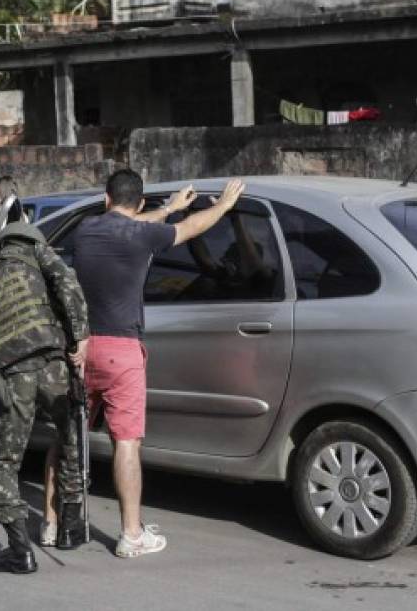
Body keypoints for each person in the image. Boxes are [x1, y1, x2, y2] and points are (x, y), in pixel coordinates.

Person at [71, 169, 244, 557]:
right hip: (122, 351)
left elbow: (129, 223)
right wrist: (223, 205)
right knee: (127, 443)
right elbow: (192, 228)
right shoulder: (143, 235)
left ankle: (52, 523)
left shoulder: (86, 230)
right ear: (141, 204)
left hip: (84, 348)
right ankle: (131, 534)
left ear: (105, 199)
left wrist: (167, 207)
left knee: (68, 437)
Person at [0, 221, 90, 574]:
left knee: (0, 461)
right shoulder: (37, 253)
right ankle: (69, 527)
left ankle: (20, 551)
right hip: (53, 364)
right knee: (72, 437)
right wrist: (82, 334)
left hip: (11, 375)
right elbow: (68, 284)